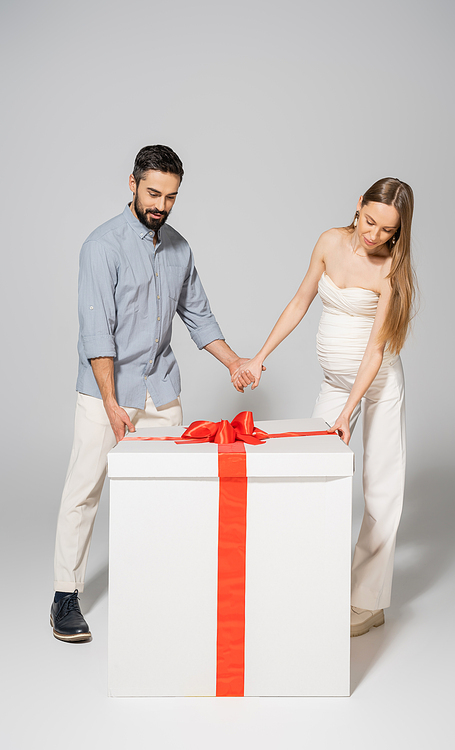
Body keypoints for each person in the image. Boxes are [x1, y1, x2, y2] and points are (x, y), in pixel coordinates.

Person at [51, 145, 251, 642]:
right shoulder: (102, 246)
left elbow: (198, 315)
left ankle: (161, 587)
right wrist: (113, 404)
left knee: (172, 491)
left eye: (171, 196)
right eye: (153, 192)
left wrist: (235, 364)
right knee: (84, 490)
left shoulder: (180, 248)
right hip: (107, 393)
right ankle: (64, 596)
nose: (161, 203)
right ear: (133, 184)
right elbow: (97, 334)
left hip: (161, 391)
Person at [231, 178, 415, 637]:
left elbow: (376, 351)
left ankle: (367, 602)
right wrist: (259, 356)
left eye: (387, 231)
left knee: (381, 490)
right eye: (370, 221)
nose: (374, 236)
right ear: (359, 205)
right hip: (335, 382)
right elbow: (299, 301)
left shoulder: (391, 267)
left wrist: (348, 412)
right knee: (317, 477)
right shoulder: (329, 242)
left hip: (377, 384)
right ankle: (317, 582)